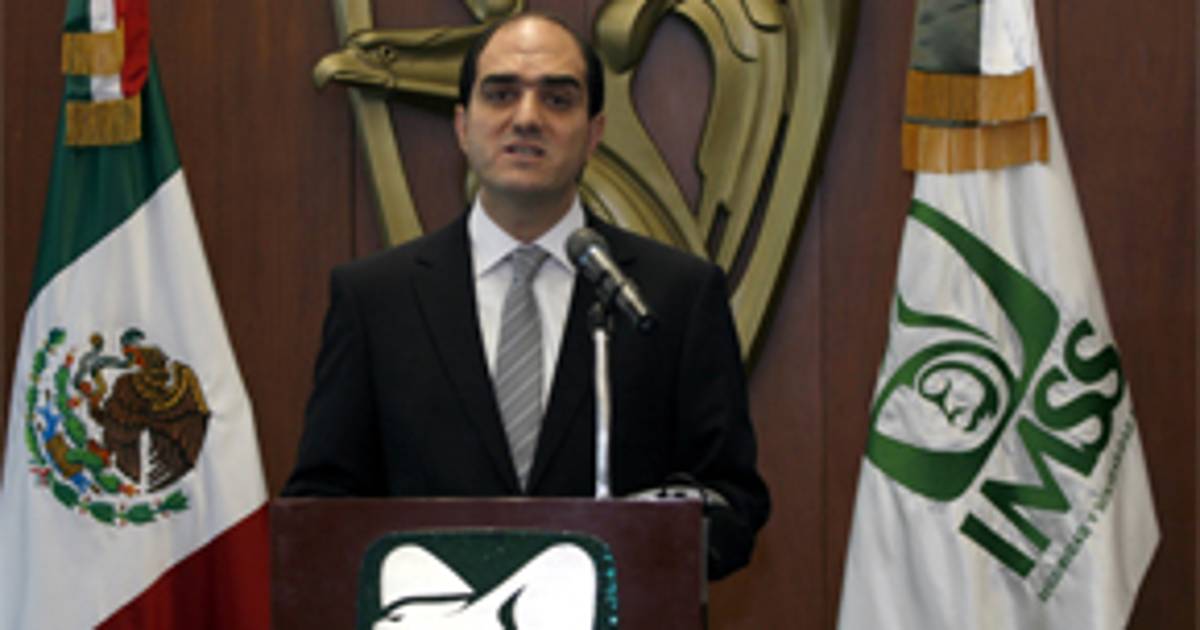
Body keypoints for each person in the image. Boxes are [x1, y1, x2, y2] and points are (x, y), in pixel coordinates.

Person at [283, 12, 769, 579]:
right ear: (463, 125)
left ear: (594, 133)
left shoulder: (675, 293)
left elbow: (733, 501)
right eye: (501, 94)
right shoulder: (375, 299)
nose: (527, 118)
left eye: (557, 100)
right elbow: (322, 504)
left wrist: (645, 548)